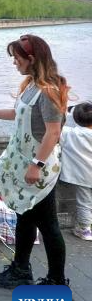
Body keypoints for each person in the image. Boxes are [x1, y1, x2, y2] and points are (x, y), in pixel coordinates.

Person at [0, 33, 70, 287]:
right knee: (25, 216)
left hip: (39, 169)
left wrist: (36, 165)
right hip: (28, 164)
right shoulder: (31, 86)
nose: (14, 62)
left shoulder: (48, 92)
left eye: (17, 58)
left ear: (32, 59)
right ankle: (21, 268)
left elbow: (53, 132)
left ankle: (56, 281)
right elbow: (17, 113)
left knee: (49, 225)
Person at [61, 102, 92, 241]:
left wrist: (66, 111)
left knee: (84, 202)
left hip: (82, 175)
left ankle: (85, 229)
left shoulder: (70, 133)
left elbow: (56, 127)